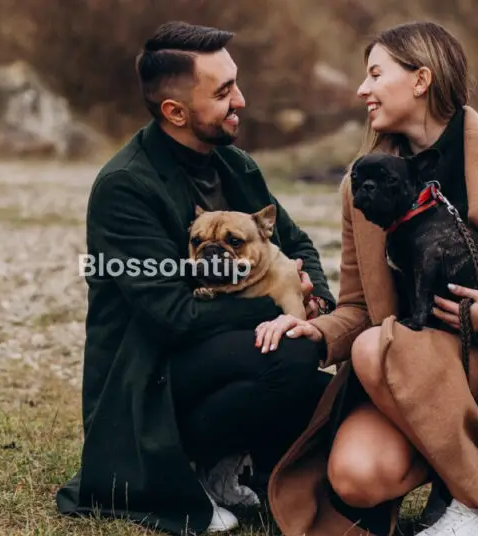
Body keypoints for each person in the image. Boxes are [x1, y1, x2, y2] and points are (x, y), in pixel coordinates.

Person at [257, 21, 478, 536]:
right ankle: (459, 481)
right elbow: (361, 308)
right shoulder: (361, 182)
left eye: (376, 74)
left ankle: (477, 506)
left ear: (421, 79)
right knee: (357, 478)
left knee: (373, 349)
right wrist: (317, 330)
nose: (362, 89)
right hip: (403, 371)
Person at [55, 21, 337, 535]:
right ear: (175, 112)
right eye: (225, 92)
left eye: (237, 84)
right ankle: (192, 469)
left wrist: (316, 299)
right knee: (289, 353)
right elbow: (173, 318)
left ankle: (248, 474)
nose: (242, 101)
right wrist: (280, 308)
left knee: (319, 379)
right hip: (148, 376)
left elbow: (295, 245)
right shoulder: (126, 187)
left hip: (215, 349)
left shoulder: (235, 164)